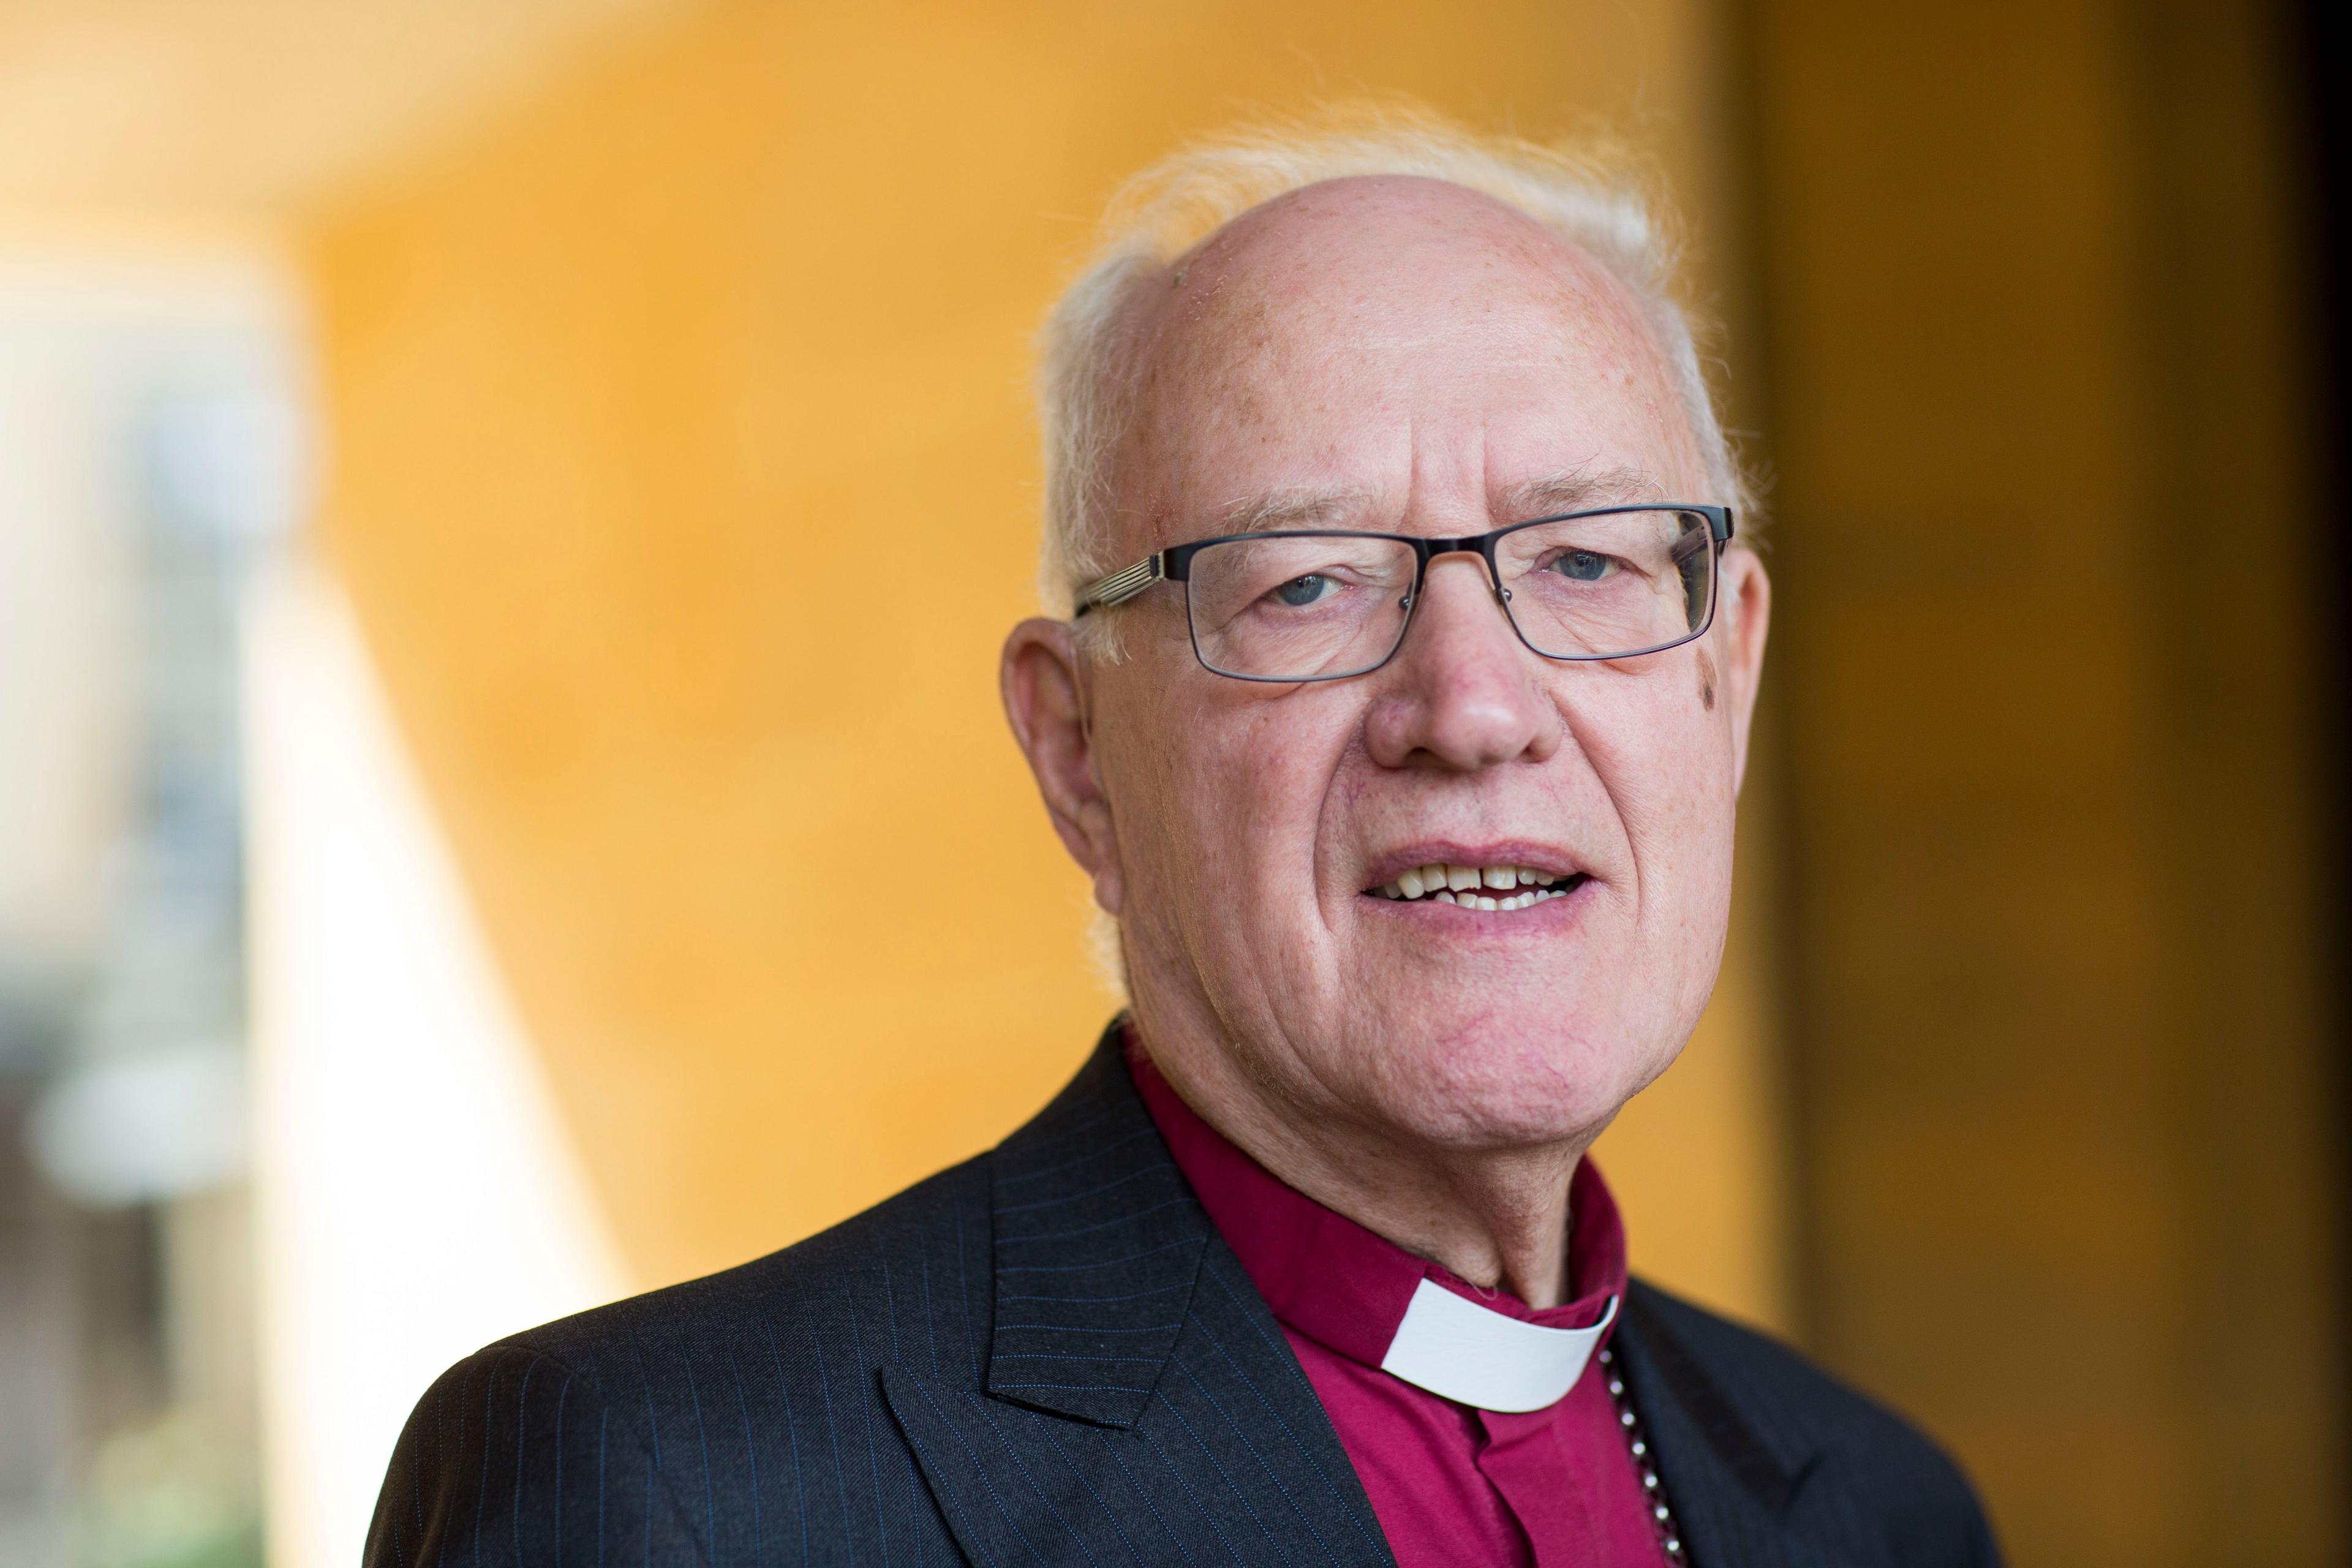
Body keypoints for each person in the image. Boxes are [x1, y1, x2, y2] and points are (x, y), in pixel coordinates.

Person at [368, 115, 1999, 1567]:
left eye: (1585, 565)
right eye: (1308, 584)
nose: (1476, 706)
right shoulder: (672, 1498)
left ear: (1728, 676)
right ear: (1078, 752)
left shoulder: (1883, 1509)